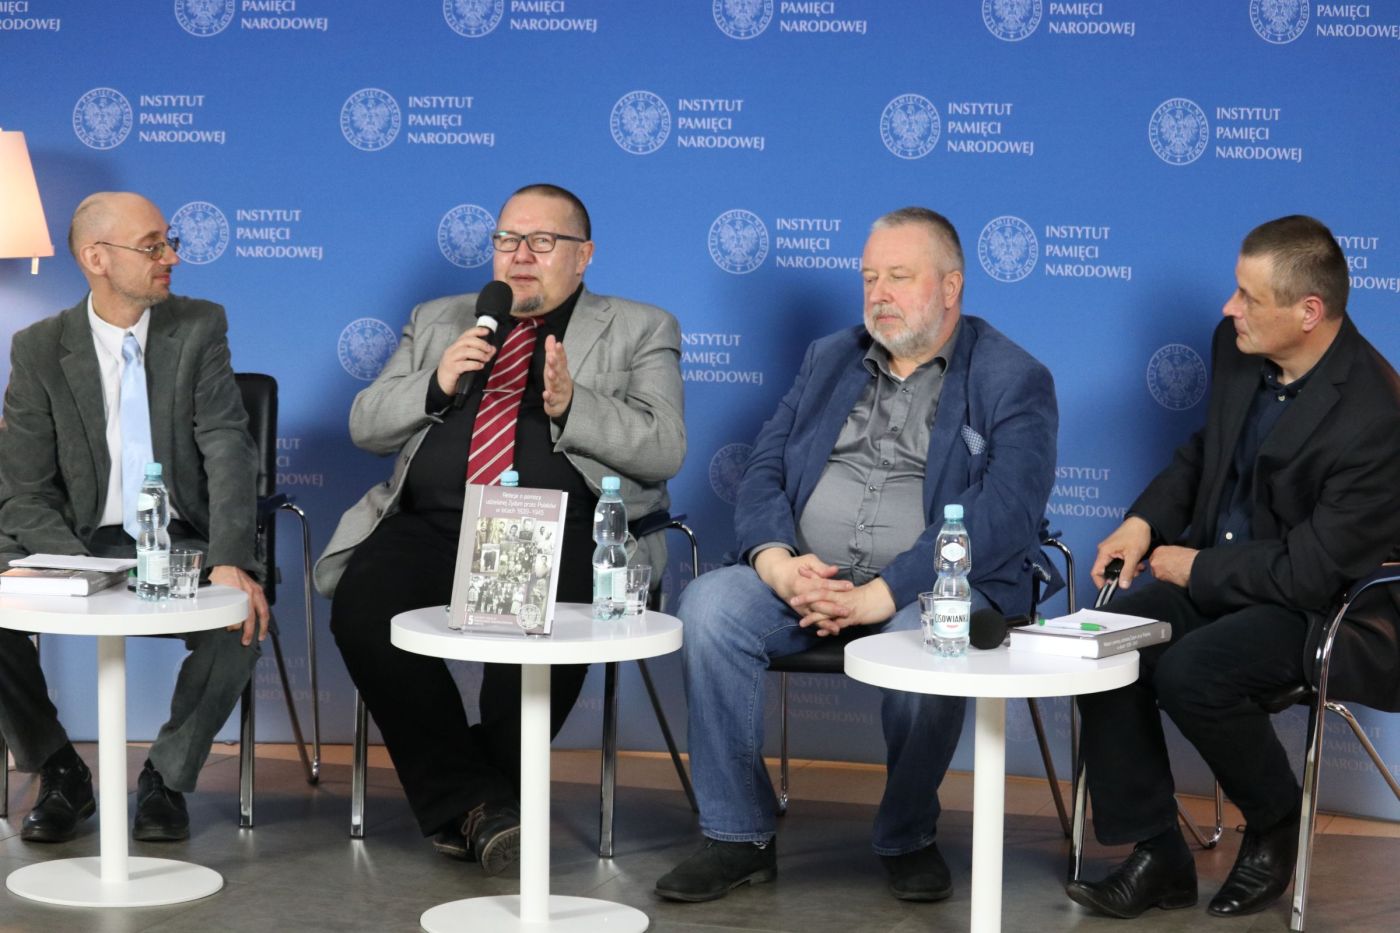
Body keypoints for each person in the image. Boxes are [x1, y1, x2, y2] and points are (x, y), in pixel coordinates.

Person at [656, 207, 1057, 904]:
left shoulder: (1012, 375)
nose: (879, 294)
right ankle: (737, 835)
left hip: (929, 589)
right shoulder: (830, 357)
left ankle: (907, 833)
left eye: (899, 276)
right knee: (709, 607)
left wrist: (885, 592)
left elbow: (1007, 512)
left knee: (932, 637)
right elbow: (764, 468)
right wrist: (776, 562)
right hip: (807, 576)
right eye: (870, 277)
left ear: (952, 286)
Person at [315, 183, 685, 874]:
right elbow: (366, 424)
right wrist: (435, 383)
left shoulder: (641, 327)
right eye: (507, 240)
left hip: (561, 528)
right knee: (364, 610)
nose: (520, 256)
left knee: (531, 645)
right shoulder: (438, 318)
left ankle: (470, 802)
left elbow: (664, 447)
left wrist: (574, 404)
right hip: (435, 522)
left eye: (542, 242)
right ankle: (482, 803)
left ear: (583, 255)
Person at [1067, 215, 1400, 920]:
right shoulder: (1238, 346)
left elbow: (1310, 572)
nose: (1229, 308)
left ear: (1308, 312)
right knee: (1104, 645)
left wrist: (1197, 569)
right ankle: (1158, 852)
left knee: (1193, 671)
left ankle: (1277, 820)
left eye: (1249, 296)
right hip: (1224, 576)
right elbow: (1204, 452)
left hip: (1320, 607)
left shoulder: (1378, 417)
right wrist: (1144, 521)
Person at [0, 191, 270, 843]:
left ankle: (165, 778)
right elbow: (24, 488)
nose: (171, 256)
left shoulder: (200, 327)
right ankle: (61, 771)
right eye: (153, 246)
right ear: (97, 258)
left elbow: (227, 445)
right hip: (73, 540)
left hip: (182, 539)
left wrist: (230, 556)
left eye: (169, 240)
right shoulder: (38, 348)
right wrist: (77, 569)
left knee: (239, 617)